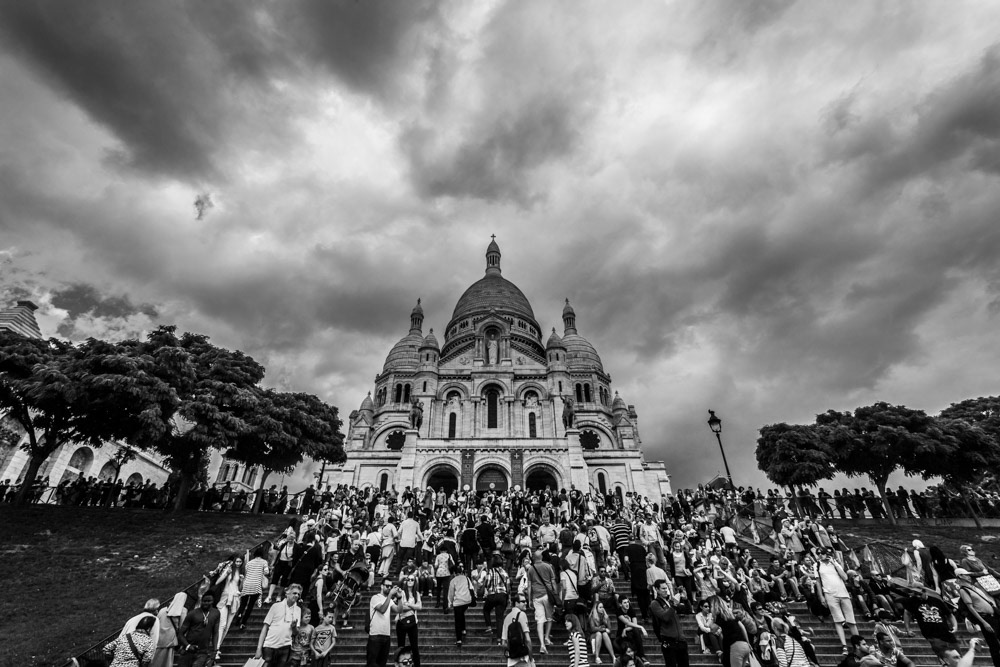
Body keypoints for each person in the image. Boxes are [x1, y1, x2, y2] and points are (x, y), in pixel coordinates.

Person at [954, 568, 1000, 665]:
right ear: (960, 576)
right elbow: (970, 608)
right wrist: (984, 622)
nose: (968, 576)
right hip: (985, 618)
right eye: (966, 575)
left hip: (994, 616)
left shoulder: (975, 586)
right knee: (994, 644)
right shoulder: (963, 590)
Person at [900, 584, 959, 659]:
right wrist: (908, 629)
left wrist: (955, 626)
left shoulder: (936, 600)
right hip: (930, 633)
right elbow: (907, 614)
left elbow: (949, 615)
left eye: (920, 594)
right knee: (944, 656)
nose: (918, 596)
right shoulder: (912, 601)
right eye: (915, 594)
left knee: (958, 655)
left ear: (925, 592)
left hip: (946, 631)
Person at [816, 548, 858, 651]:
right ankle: (844, 645)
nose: (820, 555)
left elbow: (845, 577)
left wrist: (835, 563)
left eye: (822, 553)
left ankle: (858, 643)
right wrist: (821, 596)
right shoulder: (817, 565)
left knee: (851, 620)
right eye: (818, 553)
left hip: (843, 593)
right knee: (837, 620)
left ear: (827, 554)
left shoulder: (835, 563)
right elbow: (818, 581)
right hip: (829, 594)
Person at [255, 584, 303, 667]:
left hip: (285, 646)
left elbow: (296, 633)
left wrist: (294, 627)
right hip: (269, 645)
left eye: (298, 594)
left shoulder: (298, 610)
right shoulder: (275, 606)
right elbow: (265, 627)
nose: (296, 595)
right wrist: (259, 648)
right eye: (294, 593)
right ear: (287, 593)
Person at [649, 579, 689, 667]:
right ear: (656, 589)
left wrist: (685, 599)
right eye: (663, 588)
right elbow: (665, 617)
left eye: (666, 588)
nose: (665, 590)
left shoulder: (669, 601)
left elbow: (686, 610)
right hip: (669, 641)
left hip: (681, 641)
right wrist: (674, 605)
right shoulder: (655, 603)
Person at [177, 593, 221, 667]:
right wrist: (188, 646)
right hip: (188, 651)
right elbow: (181, 634)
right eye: (204, 601)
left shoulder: (216, 613)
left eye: (209, 601)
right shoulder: (192, 613)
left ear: (213, 601)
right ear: (201, 601)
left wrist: (215, 650)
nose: (206, 603)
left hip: (203, 651)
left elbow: (215, 633)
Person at [526, 550, 557, 652]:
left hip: (536, 596)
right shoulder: (548, 567)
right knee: (549, 618)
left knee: (540, 620)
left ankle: (542, 644)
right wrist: (555, 594)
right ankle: (547, 637)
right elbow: (553, 581)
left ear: (534, 558)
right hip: (547, 595)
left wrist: (529, 599)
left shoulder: (530, 569)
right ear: (542, 557)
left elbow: (529, 586)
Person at [711, 595, 751, 667]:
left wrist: (711, 617)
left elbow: (712, 629)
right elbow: (742, 627)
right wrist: (747, 642)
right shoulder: (730, 615)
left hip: (736, 646)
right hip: (744, 644)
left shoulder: (719, 616)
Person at [237, 547, 271, 629]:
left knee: (243, 603)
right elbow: (267, 572)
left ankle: (239, 615)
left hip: (246, 584)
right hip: (256, 585)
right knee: (250, 605)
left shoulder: (249, 563)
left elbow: (246, 572)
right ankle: (243, 623)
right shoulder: (264, 562)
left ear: (255, 554)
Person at [482, 554, 511, 642]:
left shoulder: (491, 571)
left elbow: (487, 583)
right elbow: (508, 586)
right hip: (502, 595)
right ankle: (499, 638)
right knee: (500, 617)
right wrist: (508, 597)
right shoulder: (505, 572)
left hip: (493, 595)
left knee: (486, 609)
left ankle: (489, 627)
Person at [396, 576, 423, 667]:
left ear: (415, 582)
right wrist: (413, 606)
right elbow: (400, 608)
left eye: (412, 579)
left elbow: (420, 607)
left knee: (415, 647)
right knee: (401, 647)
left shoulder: (417, 593)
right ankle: (401, 664)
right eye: (408, 579)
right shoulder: (402, 593)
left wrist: (409, 604)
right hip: (402, 622)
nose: (410, 581)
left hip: (413, 623)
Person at [501, 594, 534, 667]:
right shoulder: (522, 615)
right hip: (523, 657)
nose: (526, 603)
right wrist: (531, 658)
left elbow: (503, 642)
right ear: (516, 603)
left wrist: (513, 650)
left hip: (511, 660)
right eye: (523, 601)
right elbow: (528, 640)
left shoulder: (507, 617)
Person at [446, 563, 474, 646]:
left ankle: (459, 639)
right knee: (462, 614)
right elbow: (471, 588)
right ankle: (464, 629)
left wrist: (450, 603)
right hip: (467, 600)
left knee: (457, 620)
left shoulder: (453, 581)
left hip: (458, 601)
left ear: (454, 573)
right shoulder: (466, 578)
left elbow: (451, 593)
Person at [615, 597, 648, 663]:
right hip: (622, 635)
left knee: (635, 630)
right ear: (620, 604)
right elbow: (627, 622)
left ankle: (641, 656)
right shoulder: (618, 611)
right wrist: (641, 627)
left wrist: (626, 629)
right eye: (625, 603)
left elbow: (634, 624)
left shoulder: (631, 610)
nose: (627, 604)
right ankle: (639, 655)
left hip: (631, 633)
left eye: (627, 602)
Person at [589, 600, 616, 664]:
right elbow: (593, 629)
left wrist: (601, 629)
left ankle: (613, 657)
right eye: (600, 607)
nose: (602, 609)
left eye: (602, 607)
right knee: (599, 633)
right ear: (596, 608)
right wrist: (603, 629)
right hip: (594, 636)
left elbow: (609, 629)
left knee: (604, 634)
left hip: (604, 636)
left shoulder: (606, 616)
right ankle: (597, 658)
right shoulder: (592, 616)